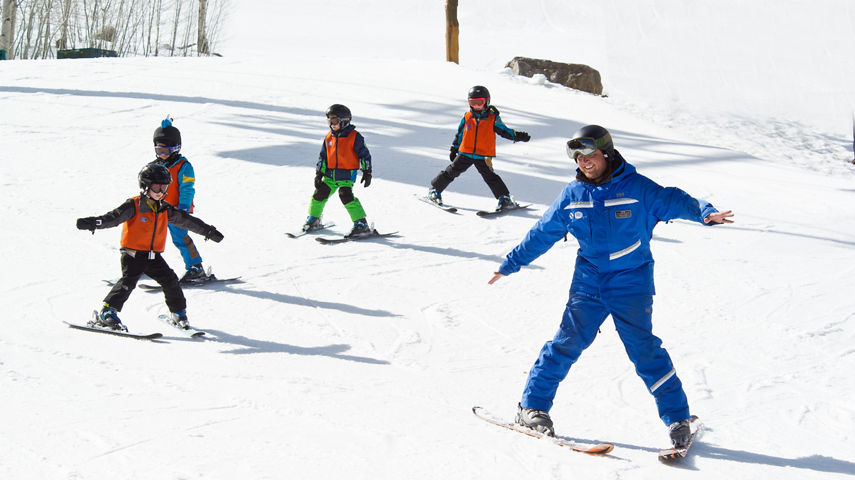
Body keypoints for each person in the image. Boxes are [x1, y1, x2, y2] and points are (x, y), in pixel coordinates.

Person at [487, 125, 734, 448]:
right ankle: (532, 408)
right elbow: (543, 232)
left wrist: (705, 213)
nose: (583, 162)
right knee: (565, 344)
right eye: (578, 157)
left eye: (589, 155)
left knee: (645, 351)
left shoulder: (638, 188)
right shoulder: (573, 195)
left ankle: (678, 419)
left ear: (606, 153)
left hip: (631, 284)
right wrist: (511, 263)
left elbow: (675, 200)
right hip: (588, 284)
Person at [76, 163, 224, 331]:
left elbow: (186, 221)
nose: (161, 192)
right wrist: (94, 222)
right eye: (156, 187)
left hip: (152, 255)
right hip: (132, 253)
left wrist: (208, 231)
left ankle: (178, 314)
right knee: (128, 282)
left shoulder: (164, 208)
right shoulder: (134, 205)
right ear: (145, 186)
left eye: (164, 187)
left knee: (170, 281)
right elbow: (113, 218)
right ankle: (107, 313)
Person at [427, 85, 530, 210]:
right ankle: (435, 190)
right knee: (451, 171)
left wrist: (517, 136)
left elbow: (504, 131)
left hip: (483, 155)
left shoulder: (493, 119)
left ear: (486, 101)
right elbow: (460, 134)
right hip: (465, 152)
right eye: (473, 102)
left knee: (490, 177)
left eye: (479, 103)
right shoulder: (467, 117)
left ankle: (504, 198)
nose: (476, 106)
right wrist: (454, 148)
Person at [151, 116, 209, 283]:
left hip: (177, 210)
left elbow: (187, 189)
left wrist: (183, 207)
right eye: (158, 151)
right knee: (150, 235)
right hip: (158, 208)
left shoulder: (184, 166)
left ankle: (195, 267)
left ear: (176, 148)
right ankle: (146, 264)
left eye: (165, 151)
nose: (161, 155)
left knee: (180, 238)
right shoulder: (157, 166)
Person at [303, 104, 374, 236]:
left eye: (334, 121)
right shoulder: (329, 137)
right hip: (329, 176)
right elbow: (323, 157)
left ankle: (361, 223)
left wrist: (367, 171)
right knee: (319, 194)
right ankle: (314, 219)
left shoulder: (354, 137)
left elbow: (365, 155)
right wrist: (319, 173)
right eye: (329, 121)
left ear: (344, 121)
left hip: (346, 176)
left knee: (345, 195)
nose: (332, 124)